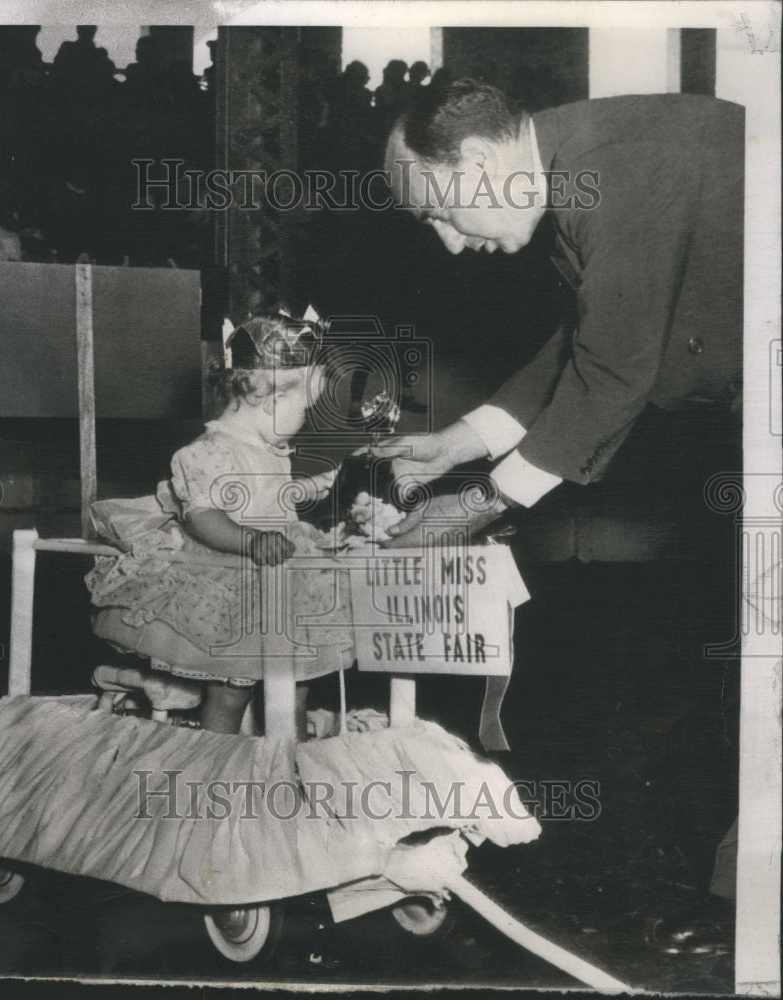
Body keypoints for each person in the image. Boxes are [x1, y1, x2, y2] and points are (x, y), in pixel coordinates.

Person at [380, 80, 743, 546]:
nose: (451, 244)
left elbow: (615, 362)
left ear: (477, 161)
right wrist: (455, 444)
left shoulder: (614, 166)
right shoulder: (574, 166)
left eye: (440, 213)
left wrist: (486, 502)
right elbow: (589, 337)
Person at [86, 314, 351, 738]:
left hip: (280, 578)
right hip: (235, 578)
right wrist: (250, 540)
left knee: (297, 684)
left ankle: (293, 760)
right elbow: (204, 517)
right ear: (268, 396)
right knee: (231, 690)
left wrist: (316, 489)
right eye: (305, 408)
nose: (307, 419)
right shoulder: (209, 451)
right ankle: (218, 764)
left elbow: (271, 498)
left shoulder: (269, 449)